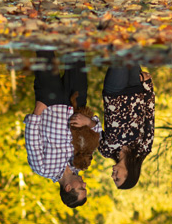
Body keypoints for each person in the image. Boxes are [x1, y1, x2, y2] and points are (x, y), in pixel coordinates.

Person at [25, 54, 101, 208]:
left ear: (68, 188)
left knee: (45, 55)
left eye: (82, 188)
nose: (84, 183)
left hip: (49, 103)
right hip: (76, 102)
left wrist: (38, 110)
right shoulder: (81, 162)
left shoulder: (42, 169)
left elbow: (32, 142)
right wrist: (88, 121)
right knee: (77, 55)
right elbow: (96, 135)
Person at [98, 65, 154, 189]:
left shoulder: (106, 150)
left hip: (113, 94)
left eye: (114, 179)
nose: (113, 177)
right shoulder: (143, 148)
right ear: (128, 174)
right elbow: (149, 117)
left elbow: (94, 127)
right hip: (136, 88)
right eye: (117, 179)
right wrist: (147, 85)